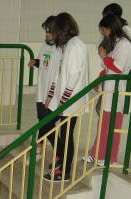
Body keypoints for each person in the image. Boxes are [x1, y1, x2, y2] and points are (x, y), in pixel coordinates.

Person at [42, 12, 89, 182]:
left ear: (62, 30)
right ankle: (61, 161)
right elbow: (59, 74)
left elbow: (75, 75)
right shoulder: (68, 45)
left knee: (66, 135)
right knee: (51, 127)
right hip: (63, 100)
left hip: (70, 102)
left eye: (55, 30)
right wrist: (51, 95)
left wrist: (63, 100)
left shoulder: (76, 46)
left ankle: (65, 172)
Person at [85, 14, 131, 165]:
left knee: (113, 126)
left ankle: (110, 158)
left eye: (104, 30)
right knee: (104, 124)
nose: (104, 34)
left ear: (111, 28)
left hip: (117, 91)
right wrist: (99, 79)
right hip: (109, 89)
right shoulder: (116, 43)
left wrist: (104, 56)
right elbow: (108, 68)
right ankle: (97, 153)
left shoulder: (124, 44)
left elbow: (118, 68)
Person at [28, 16, 62, 155]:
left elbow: (59, 74)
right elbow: (44, 64)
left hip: (52, 94)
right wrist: (35, 62)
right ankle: (41, 145)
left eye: (49, 31)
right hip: (41, 92)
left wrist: (51, 95)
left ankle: (60, 153)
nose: (47, 34)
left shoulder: (61, 49)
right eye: (46, 31)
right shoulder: (44, 45)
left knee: (47, 124)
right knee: (42, 120)